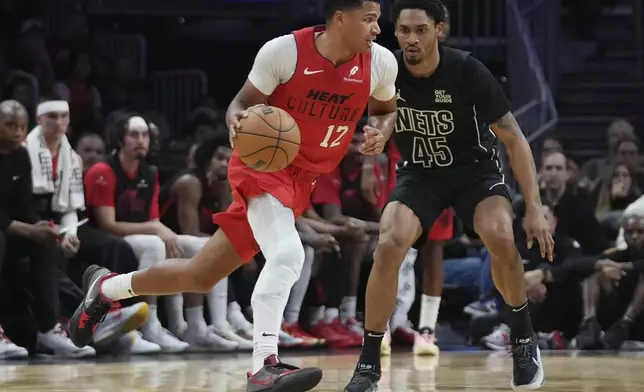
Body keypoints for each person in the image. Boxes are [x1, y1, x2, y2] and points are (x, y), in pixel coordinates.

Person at [69, 0, 398, 389]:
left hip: (303, 179)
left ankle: (105, 288)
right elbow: (241, 104)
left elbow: (384, 109)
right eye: (370, 20)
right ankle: (264, 364)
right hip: (262, 166)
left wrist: (381, 129)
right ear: (341, 19)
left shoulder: (379, 62)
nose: (378, 29)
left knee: (200, 274)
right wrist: (237, 122)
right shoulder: (285, 51)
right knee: (288, 253)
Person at [344, 1, 554, 391]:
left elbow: (514, 138)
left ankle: (523, 340)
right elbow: (379, 114)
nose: (410, 38)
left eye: (420, 29)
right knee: (388, 244)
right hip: (421, 173)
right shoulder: (385, 68)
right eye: (404, 30)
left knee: (500, 237)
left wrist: (536, 208)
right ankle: (369, 364)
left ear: (440, 30)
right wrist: (373, 161)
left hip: (474, 173)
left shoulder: (467, 70)